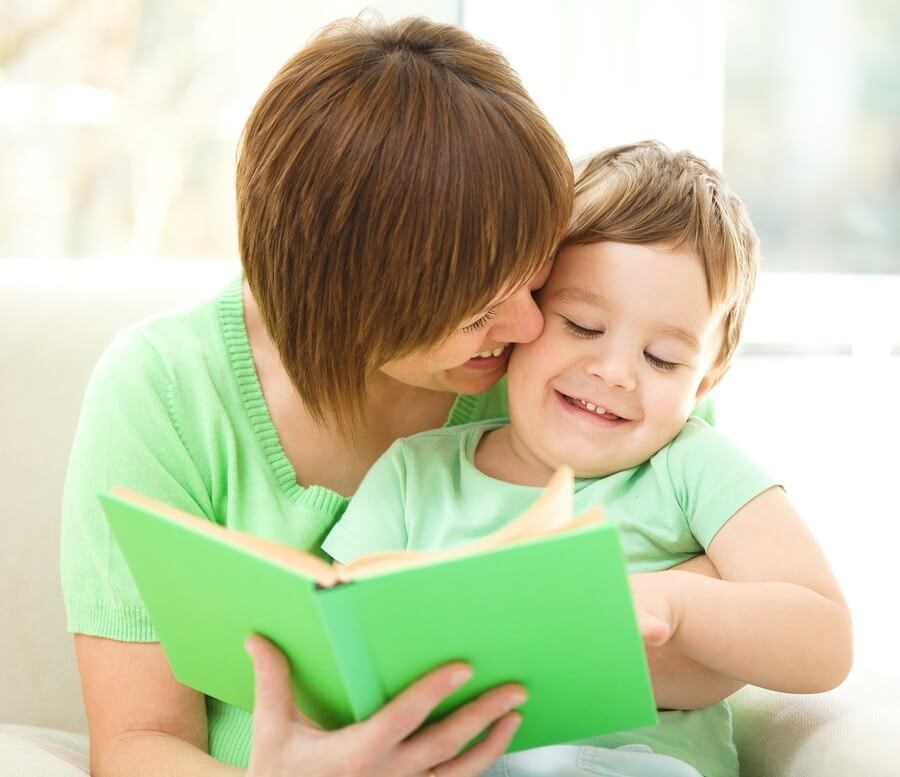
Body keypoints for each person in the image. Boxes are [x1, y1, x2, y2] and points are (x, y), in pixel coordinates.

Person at [60, 17, 738, 777]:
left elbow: (728, 621)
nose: (528, 322)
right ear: (351, 305)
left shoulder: (572, 375)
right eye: (478, 309)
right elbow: (136, 743)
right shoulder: (163, 392)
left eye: (534, 270)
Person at [323, 141, 854, 777]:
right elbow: (338, 645)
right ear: (522, 317)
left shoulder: (690, 465)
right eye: (581, 325)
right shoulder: (415, 474)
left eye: (662, 359)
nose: (615, 372)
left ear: (705, 381)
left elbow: (824, 640)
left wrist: (673, 604)